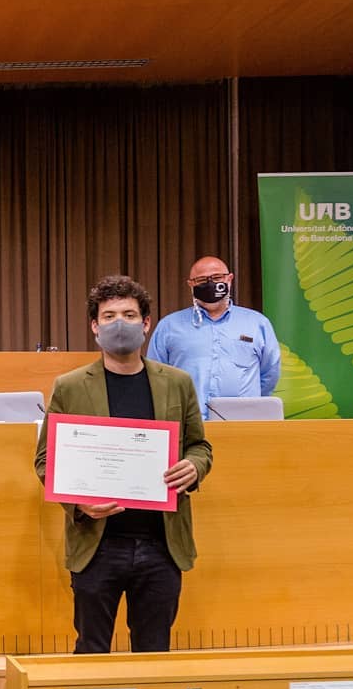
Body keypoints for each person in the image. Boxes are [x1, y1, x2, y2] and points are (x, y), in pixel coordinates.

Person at [34, 275, 212, 654]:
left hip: (161, 543)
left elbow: (199, 446)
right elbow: (45, 460)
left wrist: (195, 466)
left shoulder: (177, 383)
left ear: (146, 324)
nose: (120, 323)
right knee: (92, 652)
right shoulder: (70, 386)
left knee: (153, 655)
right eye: (109, 316)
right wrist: (77, 502)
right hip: (98, 545)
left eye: (129, 315)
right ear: (94, 326)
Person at [146, 255, 281, 421]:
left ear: (229, 279)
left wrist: (250, 404)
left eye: (217, 277)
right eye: (201, 280)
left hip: (242, 424)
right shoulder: (169, 326)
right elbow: (156, 377)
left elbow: (269, 374)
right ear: (191, 284)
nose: (210, 284)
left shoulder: (257, 323)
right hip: (187, 424)